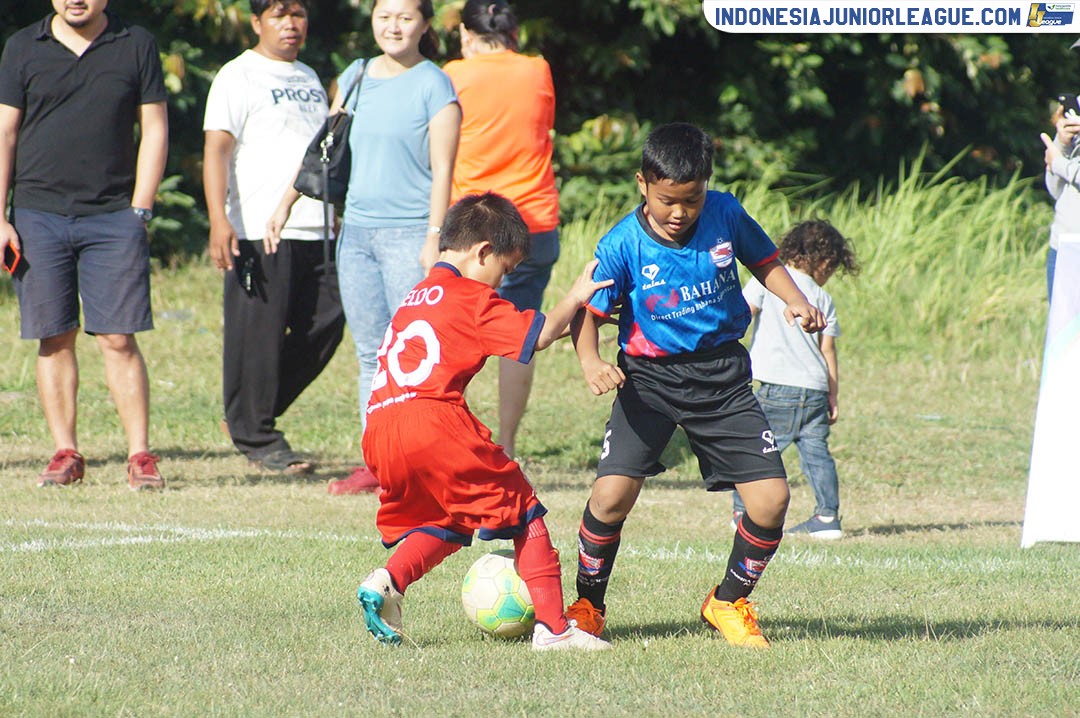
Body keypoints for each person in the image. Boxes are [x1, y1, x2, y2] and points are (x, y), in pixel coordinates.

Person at [565, 123, 826, 648]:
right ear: (643, 184)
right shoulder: (621, 244)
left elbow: (766, 260)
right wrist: (590, 361)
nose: (680, 212)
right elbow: (585, 311)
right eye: (668, 201)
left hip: (723, 380)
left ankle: (727, 601)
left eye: (691, 199)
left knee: (772, 501)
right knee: (611, 496)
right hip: (649, 382)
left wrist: (794, 299)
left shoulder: (725, 212)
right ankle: (589, 603)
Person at [355, 192, 611, 651]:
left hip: (379, 428)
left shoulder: (417, 295)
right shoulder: (470, 297)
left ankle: (387, 581)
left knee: (448, 520)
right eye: (505, 271)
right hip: (433, 422)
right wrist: (576, 294)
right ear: (483, 252)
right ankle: (554, 631)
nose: (502, 282)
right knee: (524, 511)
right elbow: (544, 334)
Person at [270, 0, 461, 494]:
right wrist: (285, 204)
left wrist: (434, 238)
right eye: (384, 16)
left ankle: (418, 463)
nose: (393, 26)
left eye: (404, 17)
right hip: (355, 234)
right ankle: (377, 463)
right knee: (371, 354)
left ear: (423, 24)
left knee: (413, 355)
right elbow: (324, 149)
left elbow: (444, 169)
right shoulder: (356, 75)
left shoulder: (434, 85)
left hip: (409, 235)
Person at [0, 0, 169, 490]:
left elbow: (154, 127)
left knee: (118, 338)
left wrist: (140, 208)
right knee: (54, 338)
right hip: (37, 214)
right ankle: (65, 452)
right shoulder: (22, 47)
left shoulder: (135, 43)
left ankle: (140, 455)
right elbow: (5, 132)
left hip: (115, 215)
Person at [203, 0, 345, 475]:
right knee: (256, 337)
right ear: (257, 22)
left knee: (328, 321)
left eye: (299, 14)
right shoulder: (237, 76)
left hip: (317, 228)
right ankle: (258, 436)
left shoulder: (309, 78)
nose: (291, 24)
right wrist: (219, 219)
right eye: (280, 14)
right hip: (256, 227)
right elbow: (217, 150)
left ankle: (248, 412)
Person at [443, 0, 559, 460]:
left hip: (472, 230)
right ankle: (506, 445)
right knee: (519, 335)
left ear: (467, 36)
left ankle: (454, 435)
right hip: (533, 219)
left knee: (456, 330)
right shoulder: (537, 70)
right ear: (512, 35)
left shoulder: (452, 74)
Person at [731, 219, 857, 540]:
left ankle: (743, 512)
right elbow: (828, 350)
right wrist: (833, 396)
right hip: (815, 389)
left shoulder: (767, 281)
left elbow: (742, 314)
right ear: (825, 262)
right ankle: (828, 516)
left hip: (778, 387)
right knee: (817, 454)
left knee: (755, 448)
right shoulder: (822, 298)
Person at [1041, 88, 1080, 302]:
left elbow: (1059, 166)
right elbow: (1056, 190)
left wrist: (1059, 163)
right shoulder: (1076, 111)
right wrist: (1063, 145)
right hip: (1064, 246)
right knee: (1063, 336)